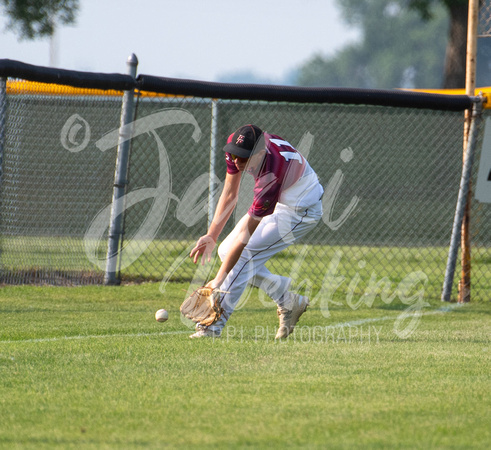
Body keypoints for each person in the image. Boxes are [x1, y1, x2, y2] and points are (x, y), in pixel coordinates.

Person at [189, 124, 323, 339]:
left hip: (300, 212)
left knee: (242, 255)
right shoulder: (239, 144)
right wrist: (212, 235)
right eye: (234, 154)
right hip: (282, 200)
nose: (236, 161)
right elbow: (230, 194)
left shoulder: (271, 175)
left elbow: (244, 238)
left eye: (243, 157)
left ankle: (212, 327)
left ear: (260, 153)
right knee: (225, 251)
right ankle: (287, 300)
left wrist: (218, 280)